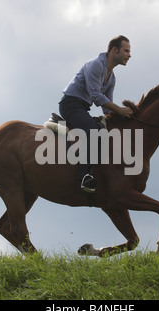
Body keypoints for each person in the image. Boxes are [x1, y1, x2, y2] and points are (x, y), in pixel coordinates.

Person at [59, 35, 133, 193]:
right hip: (70, 105)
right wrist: (120, 110)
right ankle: (84, 176)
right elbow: (96, 96)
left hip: (81, 107)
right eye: (126, 51)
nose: (129, 55)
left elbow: (107, 108)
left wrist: (123, 118)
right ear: (114, 50)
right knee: (94, 131)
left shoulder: (111, 78)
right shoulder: (96, 65)